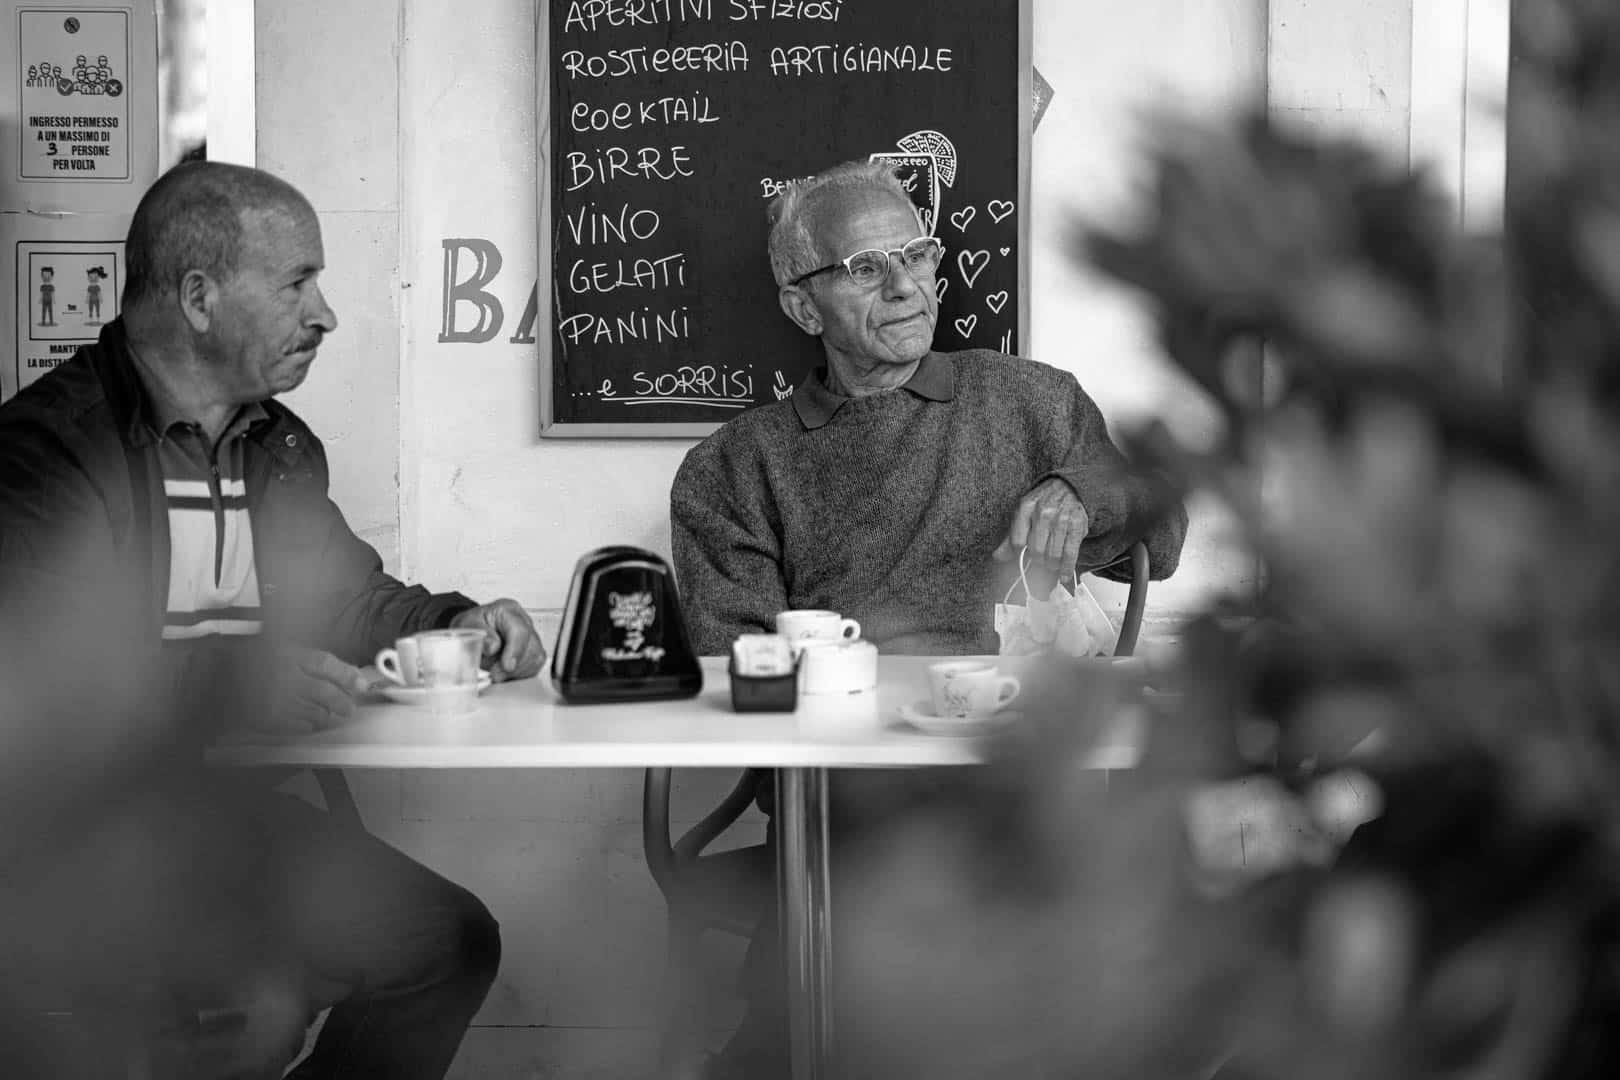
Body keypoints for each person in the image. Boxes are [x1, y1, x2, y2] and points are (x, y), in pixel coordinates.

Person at [0, 161, 545, 1078]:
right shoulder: (47, 448)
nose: (326, 313)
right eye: (299, 281)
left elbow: (348, 601)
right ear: (200, 297)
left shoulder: (275, 447)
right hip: (72, 834)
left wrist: (460, 625)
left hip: (217, 819)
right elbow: (41, 681)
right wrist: (228, 685)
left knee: (443, 943)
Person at [668, 159, 1188, 1076]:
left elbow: (1162, 529)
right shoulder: (735, 466)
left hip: (1025, 774)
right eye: (866, 266)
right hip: (846, 794)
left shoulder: (1031, 401)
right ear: (802, 305)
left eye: (916, 253)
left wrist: (1084, 492)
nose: (905, 282)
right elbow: (735, 667)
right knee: (834, 1007)